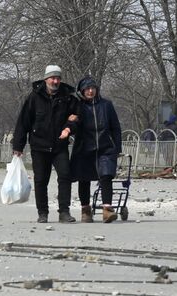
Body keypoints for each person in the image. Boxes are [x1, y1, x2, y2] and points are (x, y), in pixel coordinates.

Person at [12, 65, 79, 223]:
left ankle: (64, 212)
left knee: (65, 176)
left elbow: (76, 118)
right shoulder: (34, 97)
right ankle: (42, 213)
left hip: (60, 145)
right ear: (46, 79)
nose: (55, 81)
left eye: (58, 78)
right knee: (41, 180)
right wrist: (18, 146)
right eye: (52, 78)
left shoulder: (68, 97)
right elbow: (23, 122)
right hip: (39, 146)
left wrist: (69, 128)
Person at [70, 76, 122, 223]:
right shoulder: (78, 106)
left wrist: (117, 147)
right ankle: (86, 210)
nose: (90, 91)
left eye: (93, 88)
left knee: (106, 176)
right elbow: (72, 125)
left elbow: (115, 127)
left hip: (105, 147)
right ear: (82, 91)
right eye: (87, 89)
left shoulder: (107, 105)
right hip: (84, 148)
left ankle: (107, 210)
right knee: (84, 179)